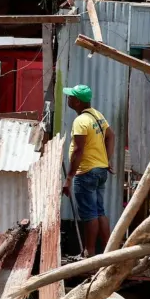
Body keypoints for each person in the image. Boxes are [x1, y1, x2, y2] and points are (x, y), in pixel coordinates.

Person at [61, 84, 114, 256]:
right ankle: (109, 252)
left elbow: (78, 150)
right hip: (100, 170)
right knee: (100, 211)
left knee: (89, 214)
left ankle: (88, 253)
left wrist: (69, 178)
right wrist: (107, 160)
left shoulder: (81, 121)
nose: (68, 98)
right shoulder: (97, 115)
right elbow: (111, 135)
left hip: (86, 172)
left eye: (71, 96)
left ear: (77, 102)